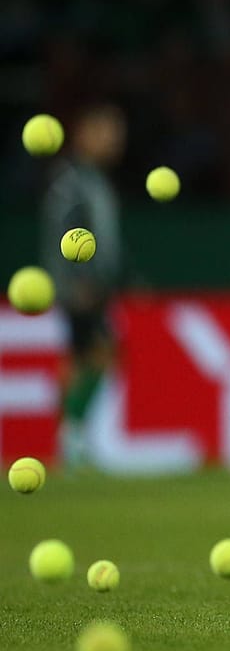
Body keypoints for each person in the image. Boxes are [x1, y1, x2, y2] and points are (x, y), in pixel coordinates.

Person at [41, 105, 126, 468]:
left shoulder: (91, 178)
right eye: (105, 131)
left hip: (93, 286)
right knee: (94, 354)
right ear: (82, 134)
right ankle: (70, 438)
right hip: (80, 287)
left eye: (116, 133)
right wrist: (78, 279)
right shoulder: (73, 180)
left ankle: (72, 438)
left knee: (87, 355)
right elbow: (67, 230)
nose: (114, 140)